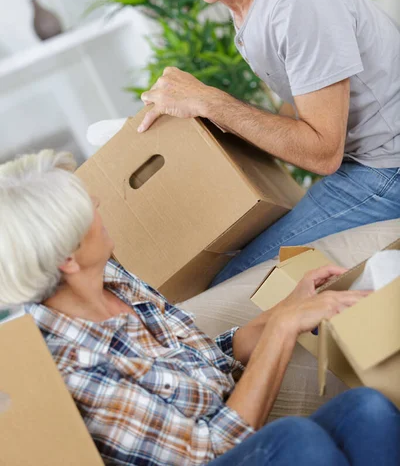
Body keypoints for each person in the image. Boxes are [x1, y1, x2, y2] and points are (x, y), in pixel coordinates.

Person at [0, 149, 399, 466]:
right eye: (84, 207)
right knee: (297, 440)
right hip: (211, 454)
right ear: (67, 259)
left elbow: (206, 360)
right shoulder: (71, 367)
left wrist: (285, 310)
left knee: (367, 409)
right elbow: (210, 451)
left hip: (233, 435)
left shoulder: (111, 279)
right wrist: (282, 330)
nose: (99, 200)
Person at [132, 0, 400, 285]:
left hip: (386, 168)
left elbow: (323, 154)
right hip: (362, 160)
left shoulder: (295, 2)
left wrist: (210, 100)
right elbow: (299, 107)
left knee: (233, 282)